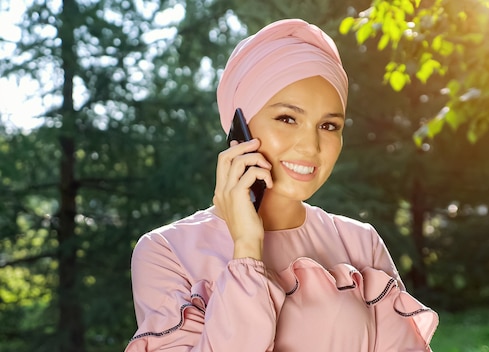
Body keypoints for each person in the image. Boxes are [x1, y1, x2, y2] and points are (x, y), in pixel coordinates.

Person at [125, 18, 438, 352]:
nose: (311, 146)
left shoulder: (361, 243)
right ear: (238, 127)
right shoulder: (165, 252)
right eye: (287, 118)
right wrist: (246, 246)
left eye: (329, 126)